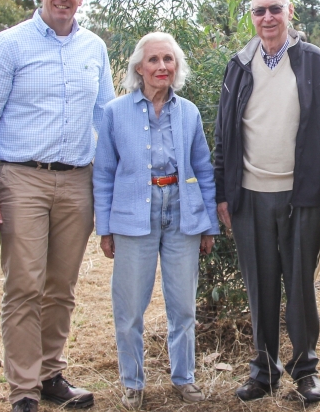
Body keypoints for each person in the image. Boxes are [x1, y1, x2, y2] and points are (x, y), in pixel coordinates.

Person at [0, 0, 115, 412]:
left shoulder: (94, 47)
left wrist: (111, 178)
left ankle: (52, 375)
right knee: (24, 285)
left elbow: (104, 116)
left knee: (61, 286)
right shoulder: (8, 45)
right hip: (22, 180)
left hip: (78, 181)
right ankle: (23, 392)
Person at [214, 0, 320, 403]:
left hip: (302, 195)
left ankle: (305, 369)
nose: (268, 18)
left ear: (290, 12)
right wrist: (223, 194)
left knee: (300, 287)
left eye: (275, 9)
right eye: (260, 11)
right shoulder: (238, 65)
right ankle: (263, 371)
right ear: (251, 17)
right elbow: (223, 136)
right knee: (260, 286)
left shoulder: (313, 62)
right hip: (249, 195)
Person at [93, 32, 220, 410]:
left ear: (176, 66)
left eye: (169, 59)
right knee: (130, 307)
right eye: (153, 60)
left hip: (182, 212)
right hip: (134, 214)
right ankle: (133, 383)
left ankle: (185, 378)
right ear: (138, 67)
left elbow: (203, 168)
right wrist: (105, 227)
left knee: (183, 306)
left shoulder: (189, 112)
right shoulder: (115, 112)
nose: (161, 66)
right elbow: (103, 173)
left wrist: (208, 222)